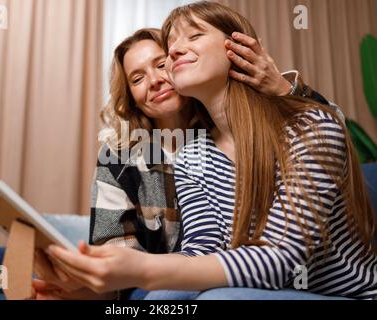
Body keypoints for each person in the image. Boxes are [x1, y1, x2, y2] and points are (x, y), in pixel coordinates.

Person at [34, 12, 351, 300]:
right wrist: (87, 285)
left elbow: (326, 126)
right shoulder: (173, 158)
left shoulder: (305, 126)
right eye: (137, 78)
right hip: (181, 283)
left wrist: (283, 88)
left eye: (161, 63)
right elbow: (195, 252)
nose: (158, 76)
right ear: (130, 97)